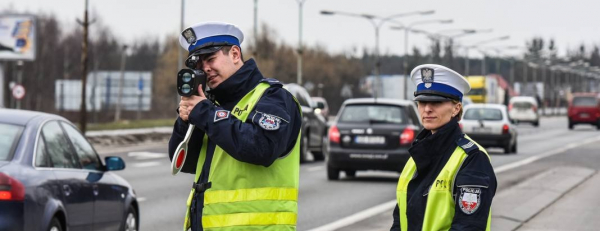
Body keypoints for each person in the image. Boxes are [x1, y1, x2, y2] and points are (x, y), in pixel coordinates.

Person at [169, 21, 302, 231]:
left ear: (234, 54)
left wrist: (205, 112)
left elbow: (261, 148)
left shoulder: (273, 98)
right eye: (199, 65)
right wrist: (185, 120)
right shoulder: (212, 106)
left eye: (211, 59)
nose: (205, 68)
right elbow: (183, 163)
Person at [390, 64, 497, 231]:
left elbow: (469, 227)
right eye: (422, 101)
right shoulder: (416, 155)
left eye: (436, 102)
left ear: (456, 108)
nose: (427, 109)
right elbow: (400, 219)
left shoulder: (472, 159)